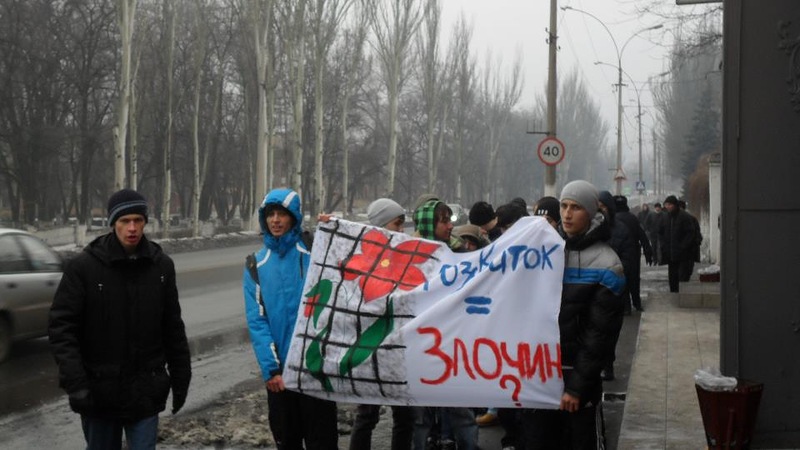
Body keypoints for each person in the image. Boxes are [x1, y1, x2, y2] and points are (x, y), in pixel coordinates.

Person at [49, 189, 191, 450]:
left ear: (145, 222)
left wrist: (181, 378)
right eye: (125, 221)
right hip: (99, 395)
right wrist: (76, 383)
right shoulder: (84, 268)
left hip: (145, 393)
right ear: (113, 223)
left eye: (138, 220)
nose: (132, 228)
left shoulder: (161, 267)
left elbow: (172, 326)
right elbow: (62, 328)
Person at [520, 180, 625, 450]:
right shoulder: (546, 252)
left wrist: (576, 388)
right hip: (540, 376)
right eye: (564, 206)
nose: (567, 214)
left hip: (577, 383)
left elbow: (599, 337)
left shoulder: (607, 264)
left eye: (576, 208)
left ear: (590, 212)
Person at [243, 188, 338, 449]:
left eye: (281, 214)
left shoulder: (315, 253)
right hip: (281, 379)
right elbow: (257, 321)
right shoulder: (256, 265)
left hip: (316, 373)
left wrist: (334, 231)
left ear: (294, 217)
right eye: (270, 214)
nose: (275, 220)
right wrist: (271, 369)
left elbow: (347, 270)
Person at [412, 199, 479, 450]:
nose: (450, 226)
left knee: (462, 412)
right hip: (421, 347)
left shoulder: (460, 252)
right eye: (443, 221)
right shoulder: (410, 256)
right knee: (420, 418)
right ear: (429, 224)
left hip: (454, 345)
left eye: (449, 220)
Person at [350, 198, 415, 450]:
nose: (401, 230)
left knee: (405, 414)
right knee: (367, 414)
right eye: (397, 224)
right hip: (371, 347)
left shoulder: (404, 256)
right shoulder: (364, 258)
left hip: (399, 347)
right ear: (380, 225)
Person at [613, 195, 654, 311]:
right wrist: (648, 252)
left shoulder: (612, 219)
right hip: (634, 253)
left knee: (622, 278)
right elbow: (642, 236)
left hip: (618, 254)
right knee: (634, 279)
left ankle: (626, 306)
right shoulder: (633, 218)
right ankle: (637, 303)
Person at [658, 195, 696, 293]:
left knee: (682, 276)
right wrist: (663, 245)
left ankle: (681, 294)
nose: (667, 206)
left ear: (675, 205)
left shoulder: (684, 216)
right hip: (670, 253)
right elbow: (660, 232)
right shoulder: (665, 217)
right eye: (666, 204)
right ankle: (673, 293)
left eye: (669, 204)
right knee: (672, 275)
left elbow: (691, 232)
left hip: (682, 253)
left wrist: (683, 245)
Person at [678, 199, 702, 282]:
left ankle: (683, 279)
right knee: (686, 268)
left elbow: (697, 233)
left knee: (686, 267)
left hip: (688, 248)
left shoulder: (690, 219)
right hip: (688, 248)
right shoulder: (691, 218)